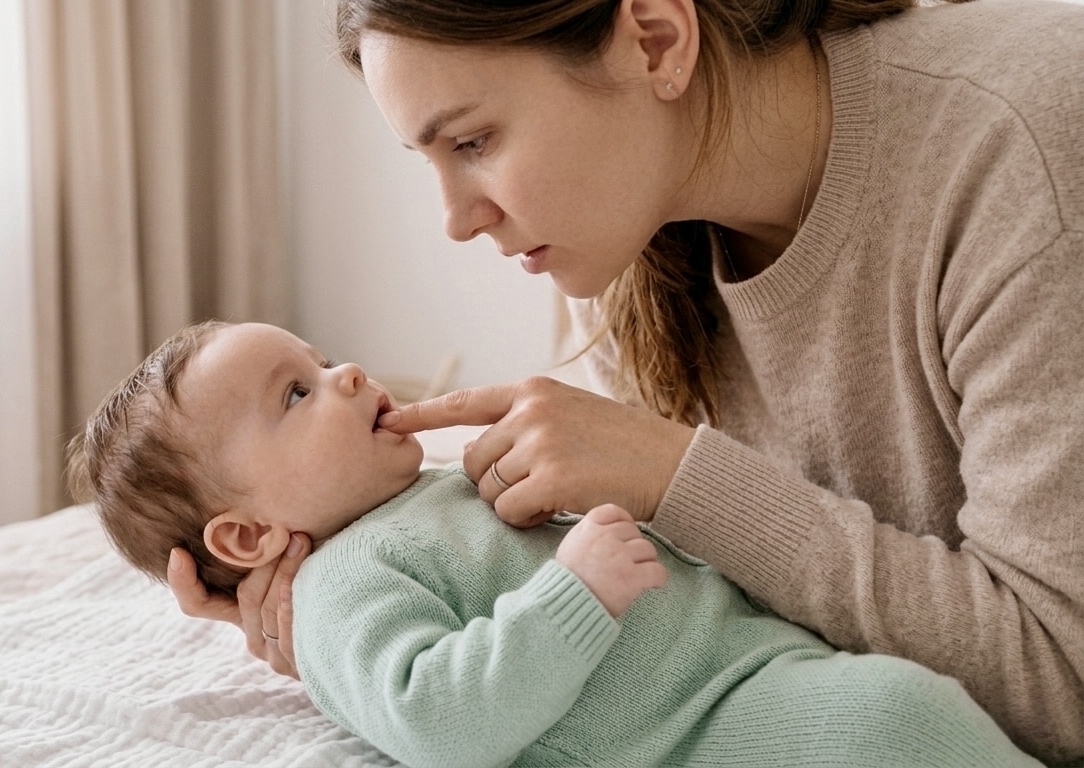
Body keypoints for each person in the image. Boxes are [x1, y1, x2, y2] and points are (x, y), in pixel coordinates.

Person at [165, 0, 1084, 764]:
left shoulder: (1025, 141)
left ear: (654, 37)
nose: (455, 220)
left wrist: (678, 476)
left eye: (475, 140)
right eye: (431, 162)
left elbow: (1065, 687)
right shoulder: (634, 247)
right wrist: (347, 625)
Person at [68, 319, 1038, 768]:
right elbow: (434, 719)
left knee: (906, 711)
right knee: (894, 720)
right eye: (297, 393)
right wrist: (570, 594)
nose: (347, 370)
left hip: (756, 668)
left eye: (319, 359)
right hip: (695, 731)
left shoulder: (436, 488)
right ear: (244, 532)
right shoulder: (336, 585)